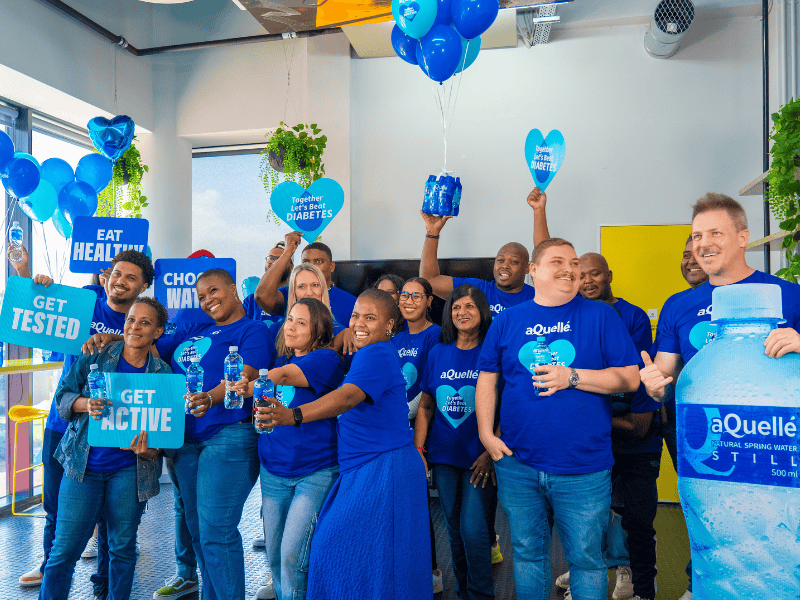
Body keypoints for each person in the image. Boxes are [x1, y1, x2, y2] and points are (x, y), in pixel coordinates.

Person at [640, 193, 800, 600]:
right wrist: (655, 383)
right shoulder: (678, 304)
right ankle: (702, 586)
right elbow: (666, 370)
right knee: (711, 520)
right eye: (696, 235)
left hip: (775, 437)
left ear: (743, 237)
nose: (703, 243)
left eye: (715, 232)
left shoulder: (786, 294)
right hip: (701, 434)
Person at [476, 238, 641, 600]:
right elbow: (488, 378)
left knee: (586, 560)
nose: (569, 268)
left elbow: (630, 377)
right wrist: (486, 434)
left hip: (584, 466)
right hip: (517, 464)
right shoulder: (508, 321)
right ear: (534, 271)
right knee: (527, 554)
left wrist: (573, 377)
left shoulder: (601, 316)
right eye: (557, 261)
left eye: (573, 262)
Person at [261, 289, 432, 599]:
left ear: (390, 325)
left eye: (370, 317)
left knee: (333, 546)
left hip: (382, 466)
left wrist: (293, 415)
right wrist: (345, 334)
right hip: (366, 467)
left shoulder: (376, 352)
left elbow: (347, 396)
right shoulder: (369, 352)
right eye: (355, 315)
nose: (359, 323)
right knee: (375, 559)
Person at [12, 248, 154, 595]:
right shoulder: (87, 301)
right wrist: (31, 274)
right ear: (106, 275)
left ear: (144, 286)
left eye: (131, 277)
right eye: (116, 273)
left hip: (113, 437)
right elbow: (35, 308)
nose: (120, 280)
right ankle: (49, 569)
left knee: (113, 532)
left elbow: (152, 343)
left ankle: (103, 587)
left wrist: (116, 338)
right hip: (65, 427)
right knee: (55, 511)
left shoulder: (141, 319)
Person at [39, 298, 171, 600]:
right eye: (131, 320)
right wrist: (85, 404)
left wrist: (151, 452)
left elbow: (166, 436)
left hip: (129, 470)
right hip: (82, 466)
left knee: (121, 548)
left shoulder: (163, 375)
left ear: (158, 332)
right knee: (64, 550)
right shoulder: (96, 356)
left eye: (144, 322)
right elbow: (62, 397)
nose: (134, 327)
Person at [154, 268, 274, 600]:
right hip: (184, 441)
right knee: (197, 531)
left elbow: (245, 377)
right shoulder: (196, 330)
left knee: (216, 532)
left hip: (228, 435)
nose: (208, 300)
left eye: (214, 291)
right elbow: (148, 348)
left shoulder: (252, 330)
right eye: (202, 296)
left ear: (233, 288)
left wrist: (209, 397)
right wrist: (113, 338)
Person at [236, 298, 344, 600]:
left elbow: (283, 377)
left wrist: (248, 384)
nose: (291, 326)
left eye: (301, 322)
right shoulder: (279, 363)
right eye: (290, 319)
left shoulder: (326, 359)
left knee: (292, 557)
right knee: (274, 557)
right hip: (273, 473)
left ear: (319, 329)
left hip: (315, 472)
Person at [415, 284, 496, 600]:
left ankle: (481, 594)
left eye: (470, 307)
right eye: (456, 307)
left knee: (474, 530)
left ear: (482, 312)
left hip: (480, 457)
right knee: (454, 530)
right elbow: (425, 404)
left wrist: (491, 449)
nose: (462, 312)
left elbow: (505, 406)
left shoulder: (492, 350)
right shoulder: (438, 352)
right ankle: (463, 592)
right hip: (444, 455)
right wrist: (420, 449)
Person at [419, 212, 535, 318]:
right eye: (500, 260)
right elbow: (429, 280)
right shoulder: (477, 289)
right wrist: (432, 233)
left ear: (527, 268)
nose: (504, 266)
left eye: (514, 262)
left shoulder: (536, 297)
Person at [255, 232, 356, 327]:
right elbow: (261, 296)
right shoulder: (291, 293)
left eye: (318, 261)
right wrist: (288, 252)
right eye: (306, 262)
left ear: (331, 266)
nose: (311, 266)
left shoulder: (351, 303)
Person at [243, 241, 293, 323]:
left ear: (291, 266)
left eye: (281, 259)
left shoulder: (295, 296)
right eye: (271, 258)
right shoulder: (250, 301)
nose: (275, 263)